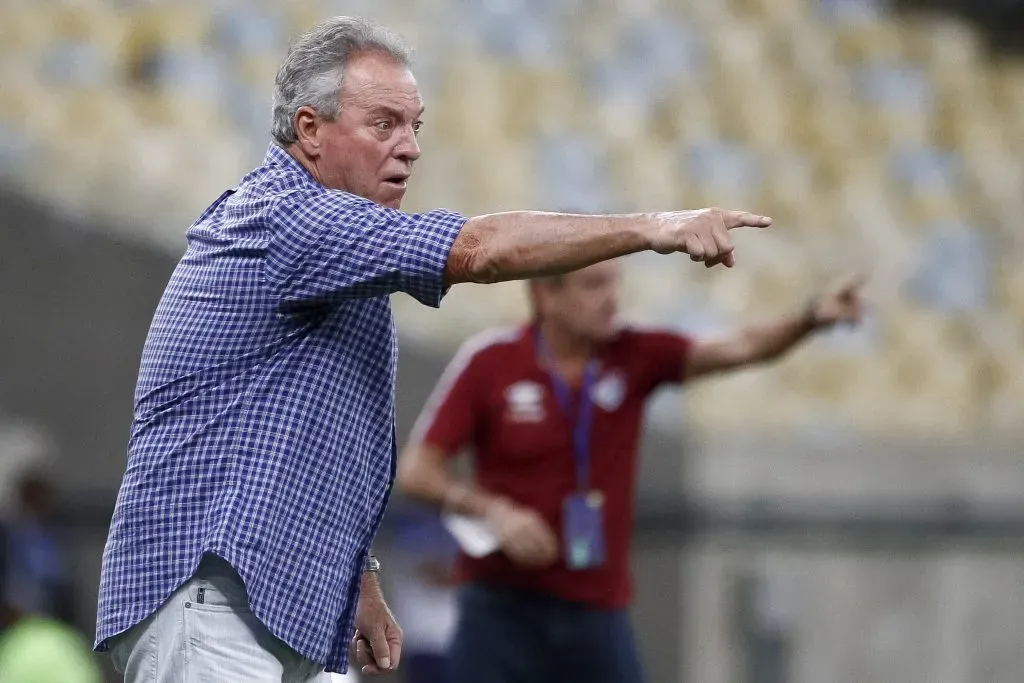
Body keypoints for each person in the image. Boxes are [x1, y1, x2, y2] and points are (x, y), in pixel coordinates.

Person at [93, 15, 773, 683]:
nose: (410, 146)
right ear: (310, 130)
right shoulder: (289, 216)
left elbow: (306, 433)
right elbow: (479, 250)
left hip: (267, 601)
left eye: (415, 126)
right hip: (208, 599)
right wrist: (655, 225)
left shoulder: (340, 250)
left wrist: (357, 576)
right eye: (383, 123)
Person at [396, 260, 865, 683]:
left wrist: (809, 319)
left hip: (596, 610)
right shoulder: (491, 361)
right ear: (546, 296)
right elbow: (418, 470)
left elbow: (739, 347)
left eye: (615, 284)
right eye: (594, 285)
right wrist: (493, 511)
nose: (612, 299)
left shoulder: (635, 354)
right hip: (500, 607)